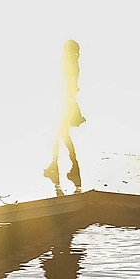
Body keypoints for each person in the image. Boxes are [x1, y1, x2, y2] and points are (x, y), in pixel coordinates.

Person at [46, 38, 85, 185]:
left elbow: (67, 83)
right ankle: (64, 164)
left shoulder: (68, 62)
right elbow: (72, 84)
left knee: (60, 134)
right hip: (68, 102)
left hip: (65, 103)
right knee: (62, 134)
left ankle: (66, 164)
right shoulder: (74, 63)